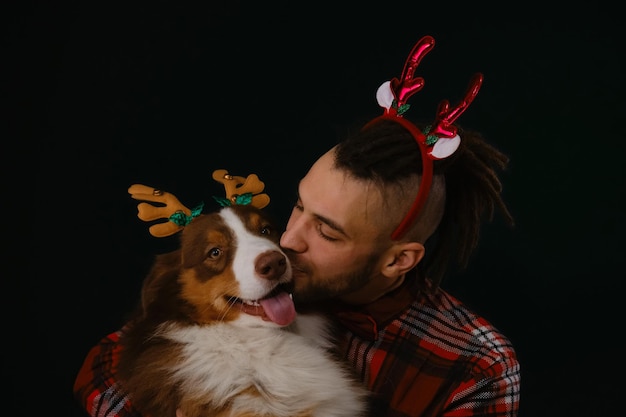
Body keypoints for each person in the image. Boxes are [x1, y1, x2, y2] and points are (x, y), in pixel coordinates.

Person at [74, 35, 520, 416]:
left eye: (327, 231)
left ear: (398, 259)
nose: (286, 242)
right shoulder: (272, 284)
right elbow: (105, 366)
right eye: (298, 207)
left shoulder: (476, 363)